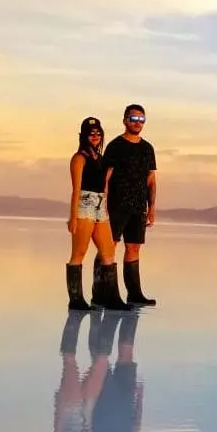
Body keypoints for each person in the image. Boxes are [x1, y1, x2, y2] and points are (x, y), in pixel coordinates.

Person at [92, 104, 157, 307]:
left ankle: (134, 293)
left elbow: (151, 180)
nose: (137, 123)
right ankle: (103, 293)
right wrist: (102, 204)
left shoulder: (147, 148)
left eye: (141, 120)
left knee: (134, 247)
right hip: (116, 205)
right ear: (125, 120)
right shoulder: (115, 146)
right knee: (108, 247)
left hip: (138, 207)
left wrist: (152, 208)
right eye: (133, 119)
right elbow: (106, 177)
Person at [65, 117, 129, 311]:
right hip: (84, 204)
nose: (95, 136)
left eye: (98, 133)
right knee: (79, 252)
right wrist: (73, 216)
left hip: (101, 206)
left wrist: (107, 207)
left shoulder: (101, 159)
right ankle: (76, 299)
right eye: (91, 133)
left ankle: (112, 298)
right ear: (84, 135)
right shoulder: (79, 158)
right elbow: (76, 189)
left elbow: (106, 186)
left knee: (108, 251)